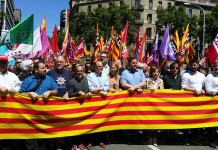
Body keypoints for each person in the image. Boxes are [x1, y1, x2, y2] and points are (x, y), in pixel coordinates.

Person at [19, 61, 58, 150]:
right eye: (43, 68)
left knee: (42, 143)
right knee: (31, 143)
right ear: (36, 70)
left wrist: (49, 92)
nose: (45, 70)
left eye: (45, 68)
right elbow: (19, 95)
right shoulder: (27, 81)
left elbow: (56, 91)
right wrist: (29, 94)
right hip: (30, 118)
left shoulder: (49, 79)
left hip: (44, 117)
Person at [64, 65, 92, 150]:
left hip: (85, 107)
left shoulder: (85, 79)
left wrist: (90, 93)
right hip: (75, 108)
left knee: (83, 126)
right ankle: (74, 144)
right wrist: (78, 93)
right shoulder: (71, 82)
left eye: (81, 71)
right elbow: (70, 94)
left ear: (83, 71)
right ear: (75, 72)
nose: (79, 72)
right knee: (75, 126)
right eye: (78, 71)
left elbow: (88, 90)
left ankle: (81, 143)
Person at [87, 61, 109, 147]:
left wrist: (100, 89)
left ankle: (100, 141)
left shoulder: (104, 75)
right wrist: (102, 91)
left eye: (102, 66)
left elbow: (107, 87)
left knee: (101, 122)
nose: (101, 68)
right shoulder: (90, 76)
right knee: (92, 122)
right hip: (93, 103)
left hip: (103, 103)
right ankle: (90, 141)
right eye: (99, 66)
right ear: (95, 67)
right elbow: (91, 89)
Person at [0, 55, 20, 150]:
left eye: (4, 62)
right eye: (0, 62)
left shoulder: (13, 76)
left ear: (8, 64)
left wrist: (15, 89)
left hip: (11, 112)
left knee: (10, 137)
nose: (2, 64)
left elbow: (19, 86)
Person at [145, 65, 163, 146]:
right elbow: (144, 90)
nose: (155, 73)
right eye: (154, 72)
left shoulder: (161, 81)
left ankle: (155, 138)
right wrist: (149, 90)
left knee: (156, 121)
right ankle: (149, 138)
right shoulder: (147, 80)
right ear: (151, 72)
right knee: (149, 121)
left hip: (157, 104)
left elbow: (163, 91)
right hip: (149, 103)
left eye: (157, 72)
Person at [204, 61, 218, 148]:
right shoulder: (209, 76)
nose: (217, 67)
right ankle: (211, 140)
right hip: (212, 102)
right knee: (212, 122)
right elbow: (208, 90)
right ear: (213, 66)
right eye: (215, 65)